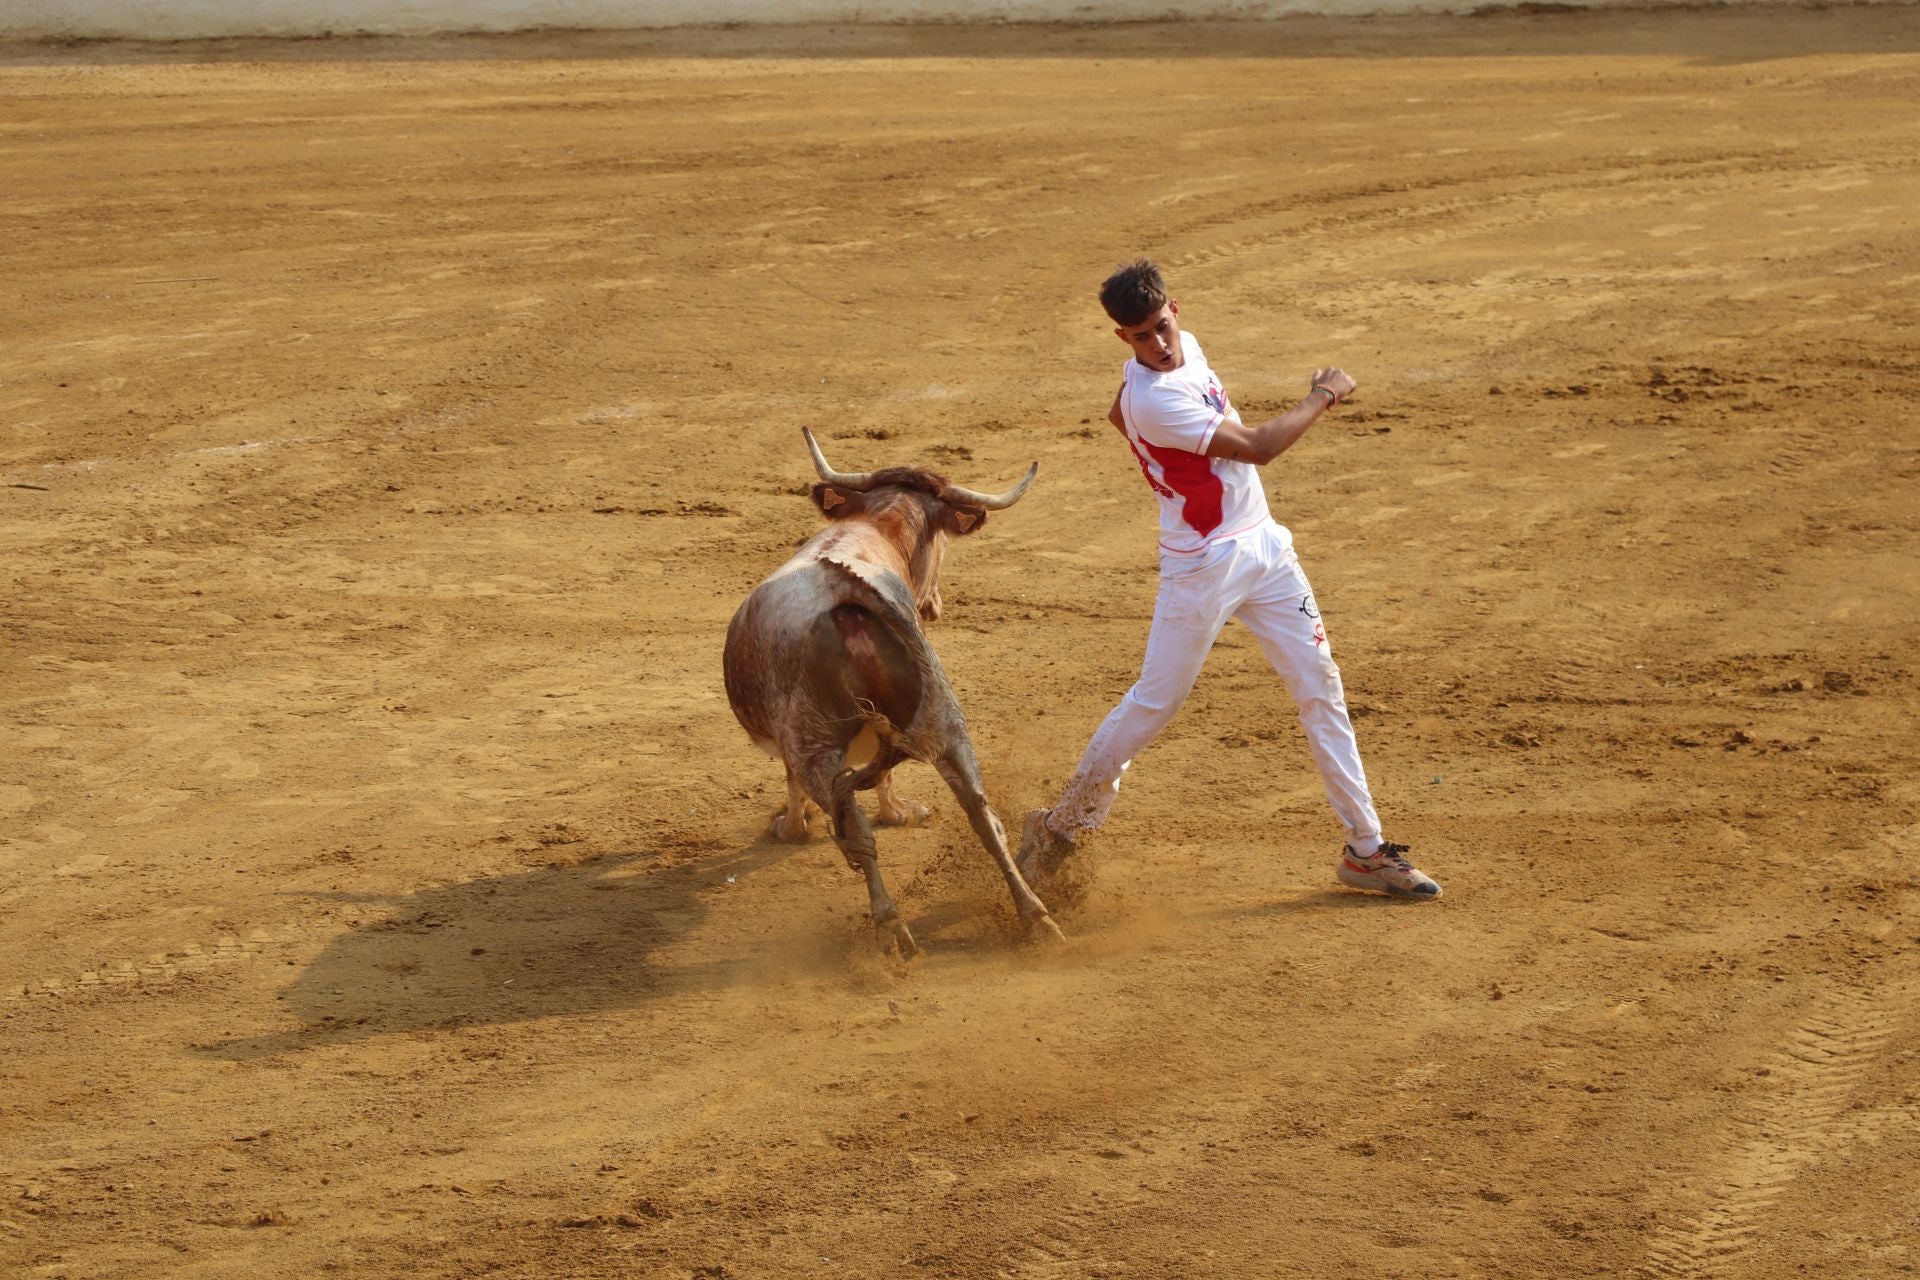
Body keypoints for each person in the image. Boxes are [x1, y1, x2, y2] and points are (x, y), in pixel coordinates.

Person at [1017, 259, 1442, 900]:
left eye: (1161, 328)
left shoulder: (1178, 360)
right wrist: (1323, 394)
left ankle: (1366, 849)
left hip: (1266, 549)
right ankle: (1061, 827)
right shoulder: (1153, 398)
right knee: (1155, 703)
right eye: (1141, 338)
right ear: (1122, 339)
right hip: (1202, 567)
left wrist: (1144, 441)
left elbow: (1117, 414)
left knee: (1320, 687)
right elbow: (1259, 446)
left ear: (1175, 310)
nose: (1158, 347)